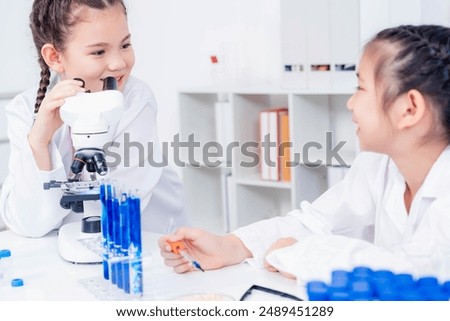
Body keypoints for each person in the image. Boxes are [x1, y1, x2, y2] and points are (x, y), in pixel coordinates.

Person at [159, 24, 450, 283]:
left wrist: (301, 254)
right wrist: (231, 246)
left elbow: (413, 271)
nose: (350, 103)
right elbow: (314, 222)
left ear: (409, 109)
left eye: (360, 88)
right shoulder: (379, 164)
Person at [0, 0, 190, 238]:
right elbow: (28, 223)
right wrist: (39, 142)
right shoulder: (25, 110)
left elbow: (119, 208)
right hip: (61, 253)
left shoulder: (136, 100)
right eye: (99, 51)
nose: (119, 63)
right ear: (55, 56)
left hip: (148, 238)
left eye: (125, 45)